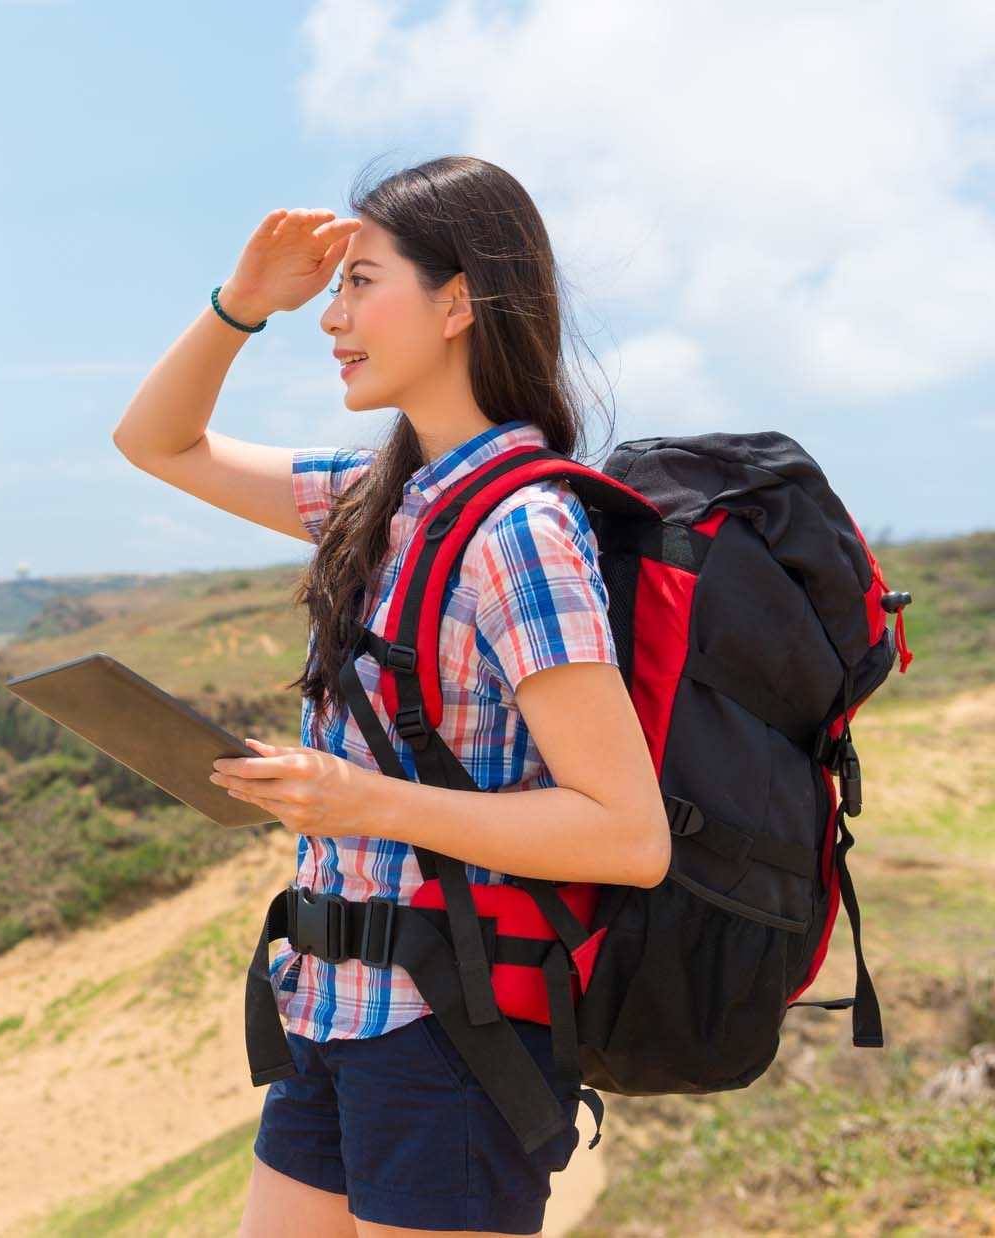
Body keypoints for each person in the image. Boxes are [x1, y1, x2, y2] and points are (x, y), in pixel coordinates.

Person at [110, 155, 672, 1238]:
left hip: (447, 1034)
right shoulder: (380, 500)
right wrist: (239, 306)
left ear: (458, 299)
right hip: (327, 1012)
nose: (330, 317)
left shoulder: (521, 532)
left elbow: (625, 831)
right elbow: (154, 442)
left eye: (360, 281)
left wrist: (360, 799)